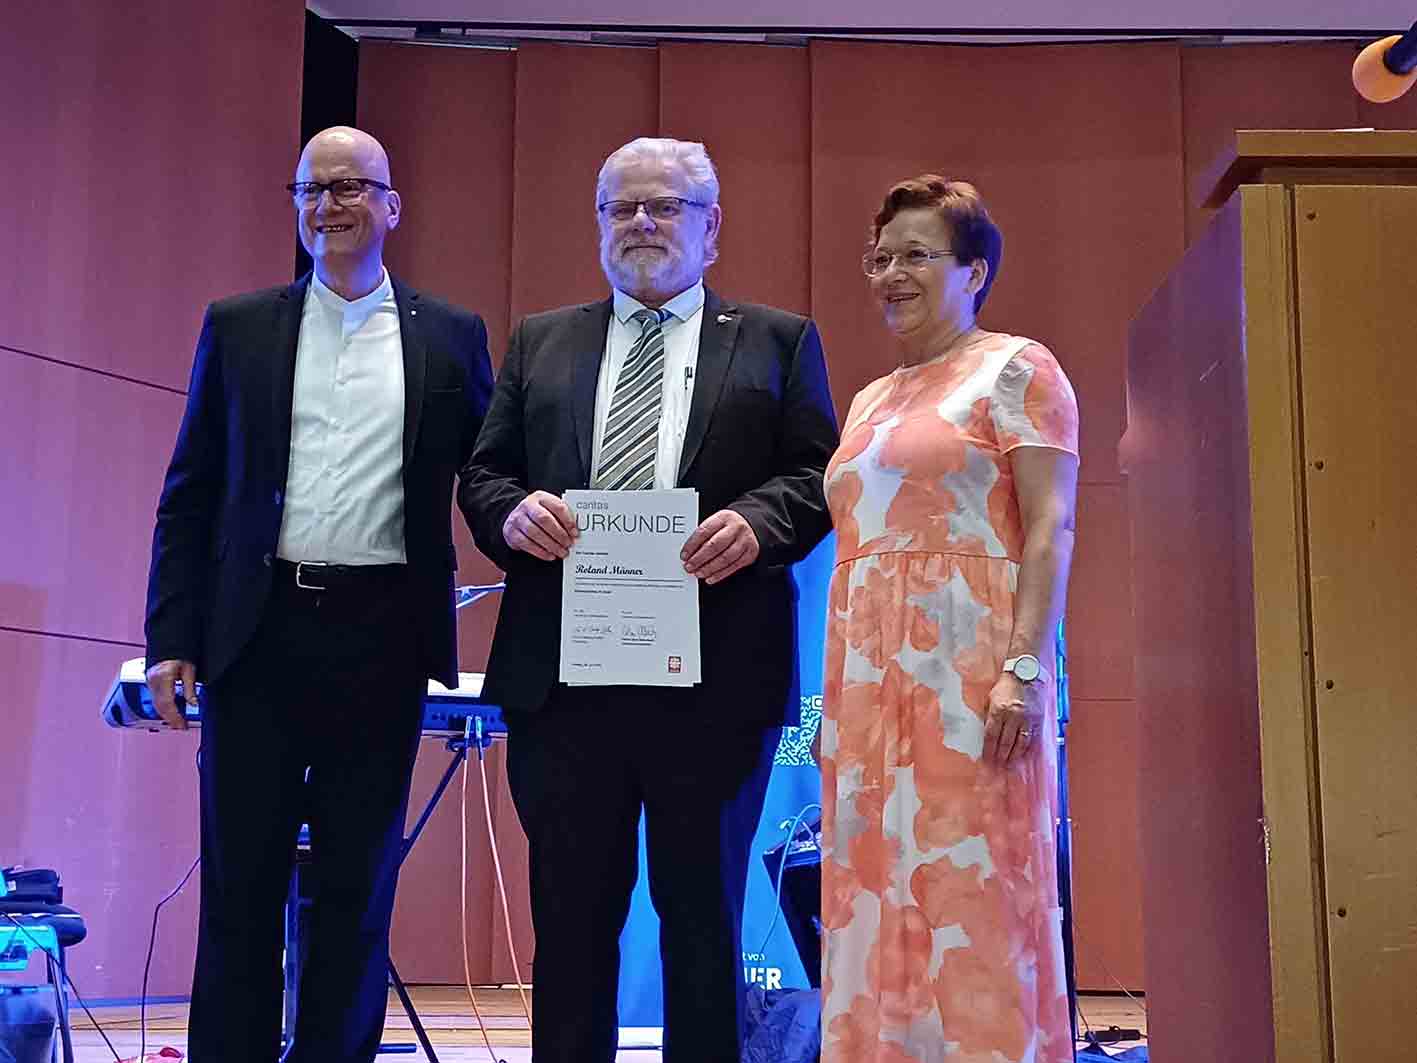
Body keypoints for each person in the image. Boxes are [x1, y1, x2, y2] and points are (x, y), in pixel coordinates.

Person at [459, 136, 838, 1063]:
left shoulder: (778, 340)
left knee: (702, 920)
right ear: (598, 224)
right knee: (570, 923)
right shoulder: (540, 340)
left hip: (716, 685)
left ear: (711, 228)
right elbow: (484, 473)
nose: (640, 223)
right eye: (620, 207)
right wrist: (512, 513)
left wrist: (757, 521)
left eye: (664, 206)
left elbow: (816, 474)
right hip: (564, 683)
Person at [143, 126, 494, 1063]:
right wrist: (171, 635)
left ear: (392, 206)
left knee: (356, 886)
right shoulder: (237, 326)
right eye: (311, 188)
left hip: (382, 637)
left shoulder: (450, 335)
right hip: (255, 636)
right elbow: (190, 490)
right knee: (239, 885)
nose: (329, 203)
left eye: (350, 186)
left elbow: (490, 475)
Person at [819, 176, 1079, 1063]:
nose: (891, 274)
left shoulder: (1017, 368)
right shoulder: (869, 399)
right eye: (879, 258)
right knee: (868, 893)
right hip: (866, 687)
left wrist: (1024, 668)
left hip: (968, 678)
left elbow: (1049, 525)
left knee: (973, 893)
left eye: (916, 255)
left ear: (973, 271)